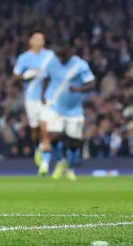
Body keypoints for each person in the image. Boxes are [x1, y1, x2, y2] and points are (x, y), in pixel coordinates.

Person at [41, 44, 97, 181]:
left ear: (70, 54)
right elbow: (46, 77)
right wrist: (43, 95)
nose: (61, 59)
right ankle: (60, 161)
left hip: (74, 109)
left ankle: (70, 169)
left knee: (74, 141)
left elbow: (92, 83)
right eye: (59, 56)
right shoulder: (52, 62)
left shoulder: (80, 65)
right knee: (53, 135)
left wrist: (78, 90)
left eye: (63, 56)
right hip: (56, 106)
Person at [13, 32, 55, 175]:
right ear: (30, 41)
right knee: (35, 130)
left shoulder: (50, 56)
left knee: (46, 129)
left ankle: (45, 163)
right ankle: (38, 148)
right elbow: (14, 79)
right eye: (36, 38)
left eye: (42, 39)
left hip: (47, 98)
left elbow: (55, 74)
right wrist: (26, 76)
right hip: (31, 98)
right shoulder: (24, 58)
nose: (39, 41)